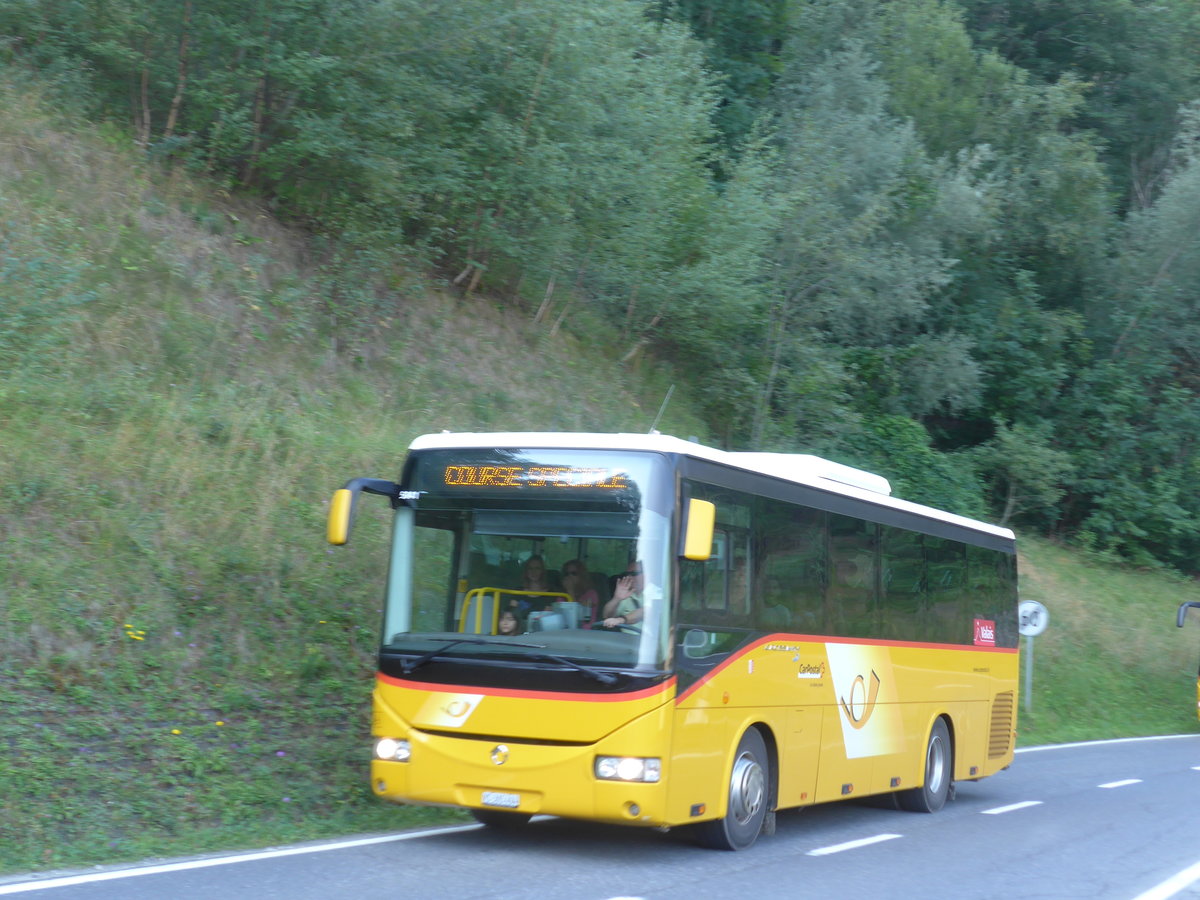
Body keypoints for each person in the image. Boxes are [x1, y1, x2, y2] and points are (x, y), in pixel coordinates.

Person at [601, 561, 647, 629]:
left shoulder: (656, 594)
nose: (629, 577)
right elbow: (607, 616)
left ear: (646, 574)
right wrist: (616, 599)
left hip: (647, 639)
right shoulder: (627, 595)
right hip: (625, 638)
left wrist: (621, 620)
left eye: (634, 573)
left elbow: (646, 611)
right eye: (627, 574)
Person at [561, 559, 600, 627]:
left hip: (585, 633)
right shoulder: (562, 596)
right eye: (567, 574)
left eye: (574, 573)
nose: (570, 576)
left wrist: (570, 591)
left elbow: (576, 617)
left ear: (581, 575)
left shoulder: (591, 594)